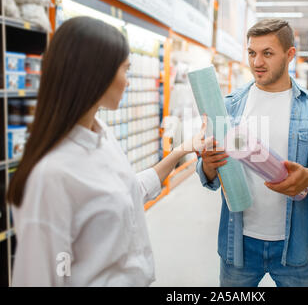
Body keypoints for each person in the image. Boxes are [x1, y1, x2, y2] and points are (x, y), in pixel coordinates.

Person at [7, 16, 210, 287]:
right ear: (96, 74)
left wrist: (182, 150)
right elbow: (38, 278)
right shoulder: (52, 174)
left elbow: (127, 193)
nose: (128, 81)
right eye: (125, 70)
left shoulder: (100, 133)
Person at [196, 18, 308, 287]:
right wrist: (209, 164)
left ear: (290, 54)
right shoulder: (229, 106)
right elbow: (207, 170)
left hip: (296, 245)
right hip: (240, 243)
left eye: (267, 53)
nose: (257, 62)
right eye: (252, 53)